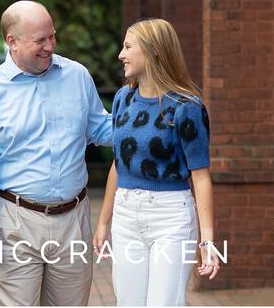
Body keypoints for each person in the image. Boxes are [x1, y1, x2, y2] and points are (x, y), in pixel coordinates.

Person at [0, 0, 112, 306]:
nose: (49, 46)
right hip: (15, 221)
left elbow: (101, 129)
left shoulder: (77, 76)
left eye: (52, 36)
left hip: (73, 220)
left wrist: (151, 113)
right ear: (12, 42)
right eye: (39, 40)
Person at [92, 18, 220, 306]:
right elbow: (119, 164)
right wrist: (103, 220)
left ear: (154, 52)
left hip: (170, 217)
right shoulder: (123, 99)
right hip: (126, 216)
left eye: (127, 47)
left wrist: (207, 240)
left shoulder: (188, 107)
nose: (120, 55)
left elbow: (200, 176)